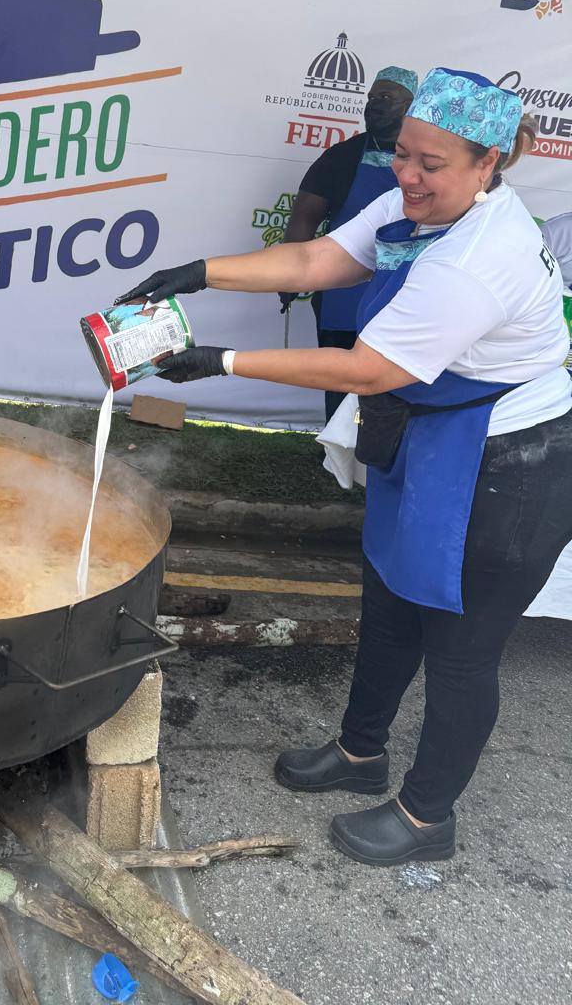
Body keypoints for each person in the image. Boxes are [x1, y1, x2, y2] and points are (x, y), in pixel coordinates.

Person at [117, 68, 572, 867]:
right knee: (392, 603)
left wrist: (218, 359)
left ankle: (430, 818)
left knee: (462, 649)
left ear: (488, 164)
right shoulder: (415, 206)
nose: (408, 176)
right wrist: (198, 274)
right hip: (431, 439)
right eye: (403, 155)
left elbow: (365, 371)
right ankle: (362, 753)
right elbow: (315, 262)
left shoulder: (482, 254)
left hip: (512, 463)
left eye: (432, 163)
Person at [279, 65, 418, 420]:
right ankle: (336, 454)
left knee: (396, 379)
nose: (374, 105)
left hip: (407, 289)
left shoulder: (428, 161)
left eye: (385, 97)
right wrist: (287, 276)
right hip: (343, 290)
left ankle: (381, 457)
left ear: (410, 105)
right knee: (340, 376)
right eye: (371, 97)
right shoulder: (341, 157)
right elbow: (305, 216)